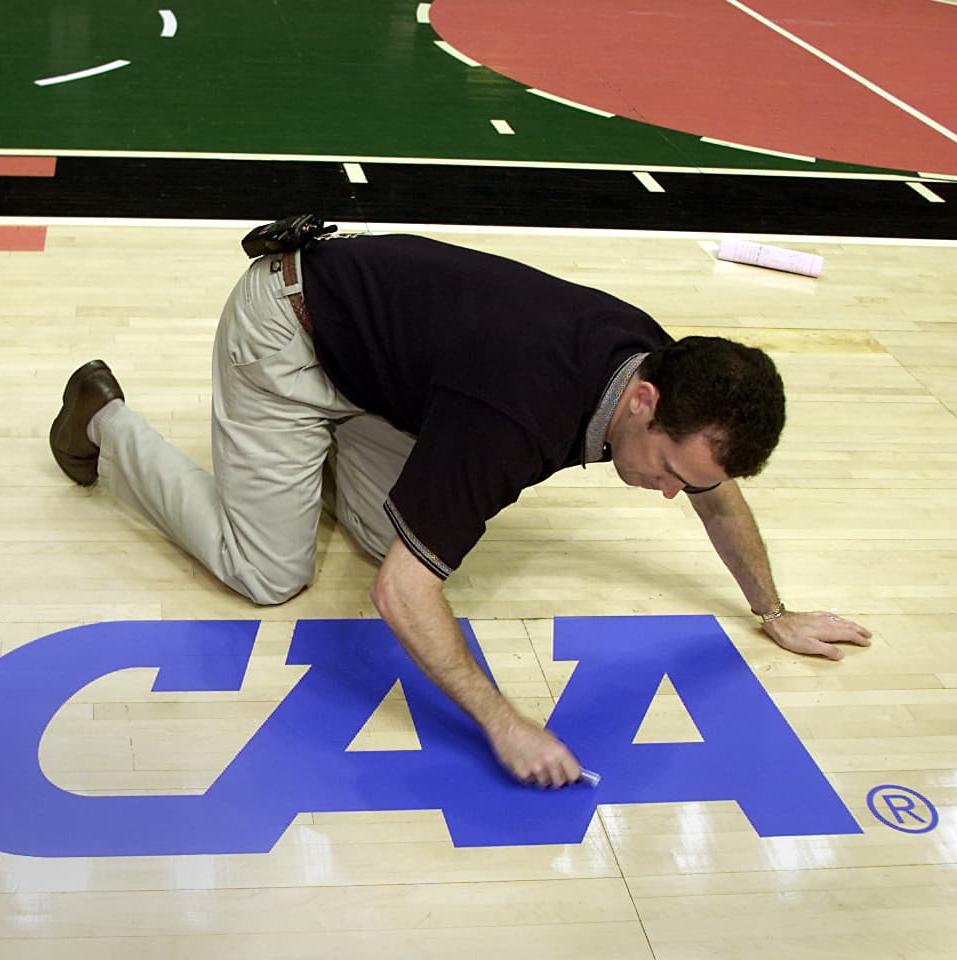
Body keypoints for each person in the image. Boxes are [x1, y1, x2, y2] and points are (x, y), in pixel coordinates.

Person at [49, 231, 872, 789]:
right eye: (666, 471)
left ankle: (312, 458)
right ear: (643, 402)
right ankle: (100, 420)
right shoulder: (516, 419)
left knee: (386, 535)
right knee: (268, 571)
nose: (670, 493)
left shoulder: (659, 370)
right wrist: (503, 723)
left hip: (385, 371)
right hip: (288, 334)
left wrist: (773, 609)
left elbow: (716, 492)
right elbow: (400, 598)